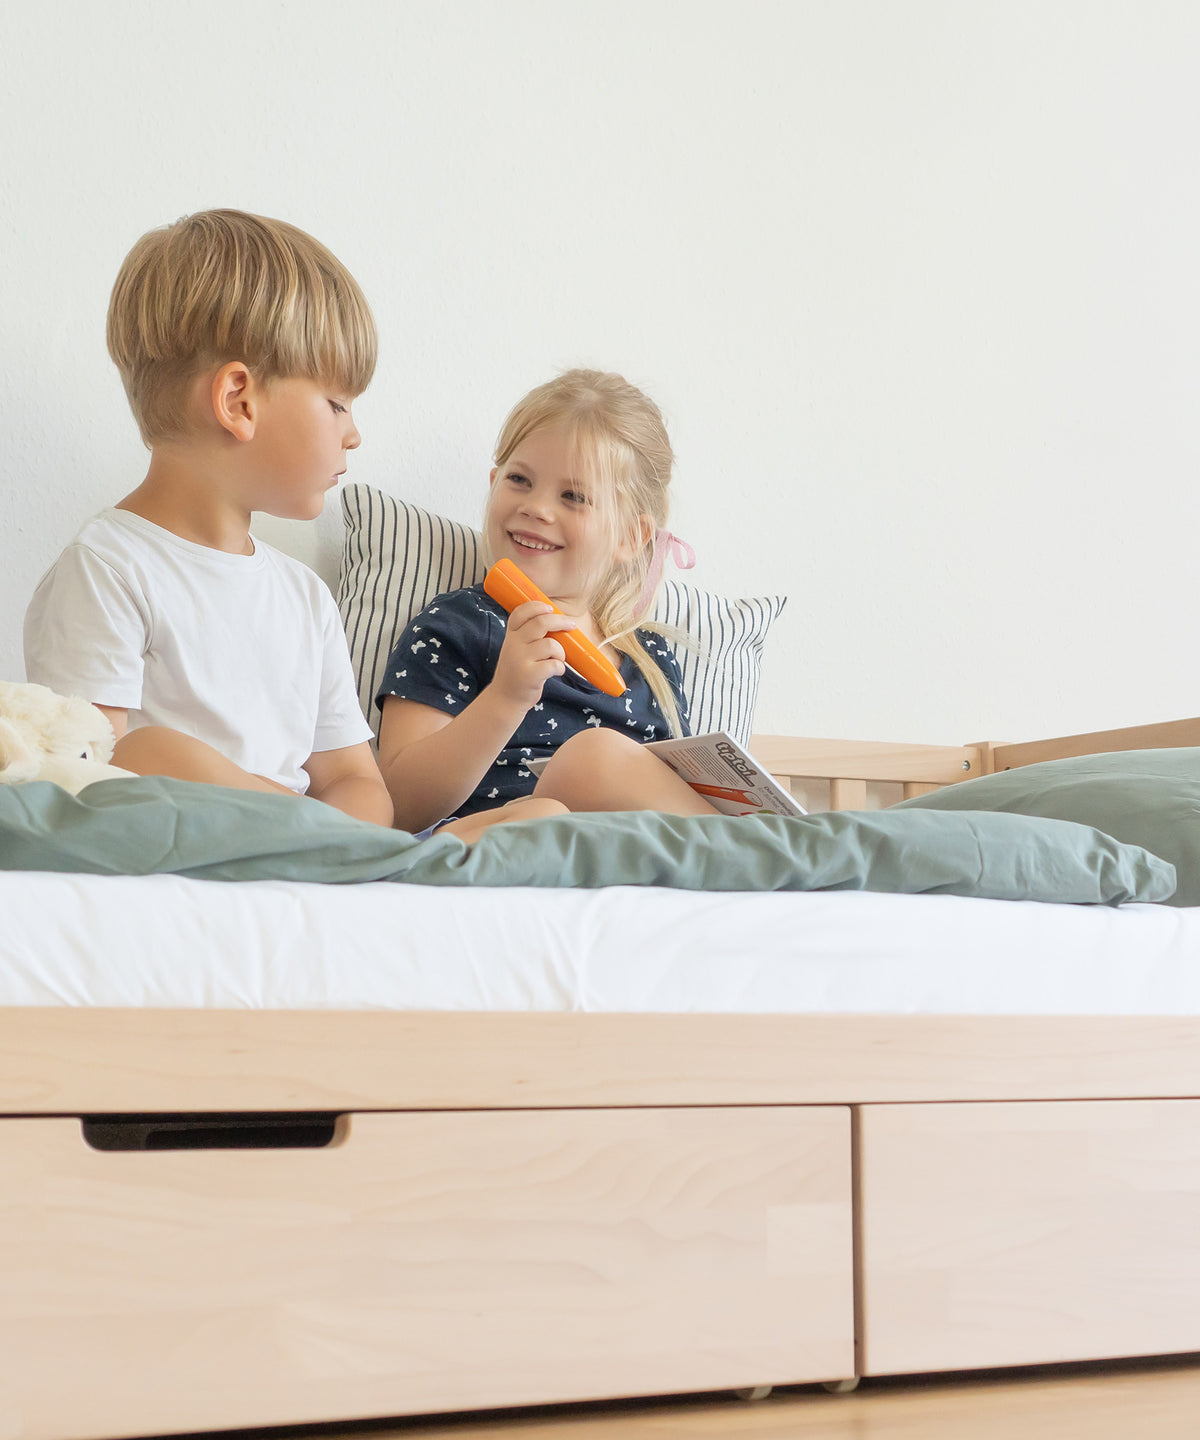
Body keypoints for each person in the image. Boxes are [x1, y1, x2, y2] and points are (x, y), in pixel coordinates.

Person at [22, 208, 560, 842]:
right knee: (147, 753)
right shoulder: (109, 566)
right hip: (189, 847)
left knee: (544, 815)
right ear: (238, 402)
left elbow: (354, 782)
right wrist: (311, 820)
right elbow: (84, 780)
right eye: (337, 404)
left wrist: (342, 828)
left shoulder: (302, 596)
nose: (353, 433)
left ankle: (354, 855)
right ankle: (353, 852)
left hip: (313, 850)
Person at [377, 369, 720, 833]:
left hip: (628, 866)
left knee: (600, 767)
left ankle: (748, 846)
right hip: (495, 843)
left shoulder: (651, 661)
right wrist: (506, 697)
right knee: (572, 781)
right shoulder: (458, 625)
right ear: (494, 481)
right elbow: (398, 805)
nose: (537, 507)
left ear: (631, 536)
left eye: (573, 496)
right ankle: (759, 851)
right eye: (519, 480)